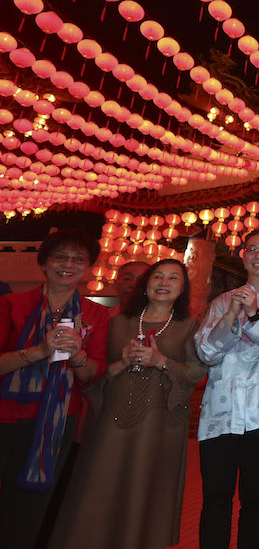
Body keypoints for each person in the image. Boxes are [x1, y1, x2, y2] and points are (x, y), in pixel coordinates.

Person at [49, 258, 207, 549]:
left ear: (183, 288)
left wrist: (161, 362)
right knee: (100, 481)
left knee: (145, 487)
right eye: (158, 276)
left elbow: (197, 372)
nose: (164, 283)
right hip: (112, 418)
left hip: (160, 424)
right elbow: (94, 373)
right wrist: (122, 362)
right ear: (146, 284)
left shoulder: (189, 326)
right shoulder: (118, 322)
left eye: (174, 278)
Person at [0, 229, 109, 549]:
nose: (69, 265)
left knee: (29, 507)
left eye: (79, 259)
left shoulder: (95, 313)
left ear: (88, 268)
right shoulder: (12, 304)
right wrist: (37, 352)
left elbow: (93, 374)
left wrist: (77, 355)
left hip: (56, 421)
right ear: (44, 263)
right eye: (60, 257)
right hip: (5, 413)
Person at [194, 230, 259, 549]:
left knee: (255, 497)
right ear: (243, 255)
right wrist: (230, 316)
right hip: (219, 416)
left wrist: (253, 316)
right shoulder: (223, 301)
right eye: (253, 249)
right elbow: (207, 353)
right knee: (215, 497)